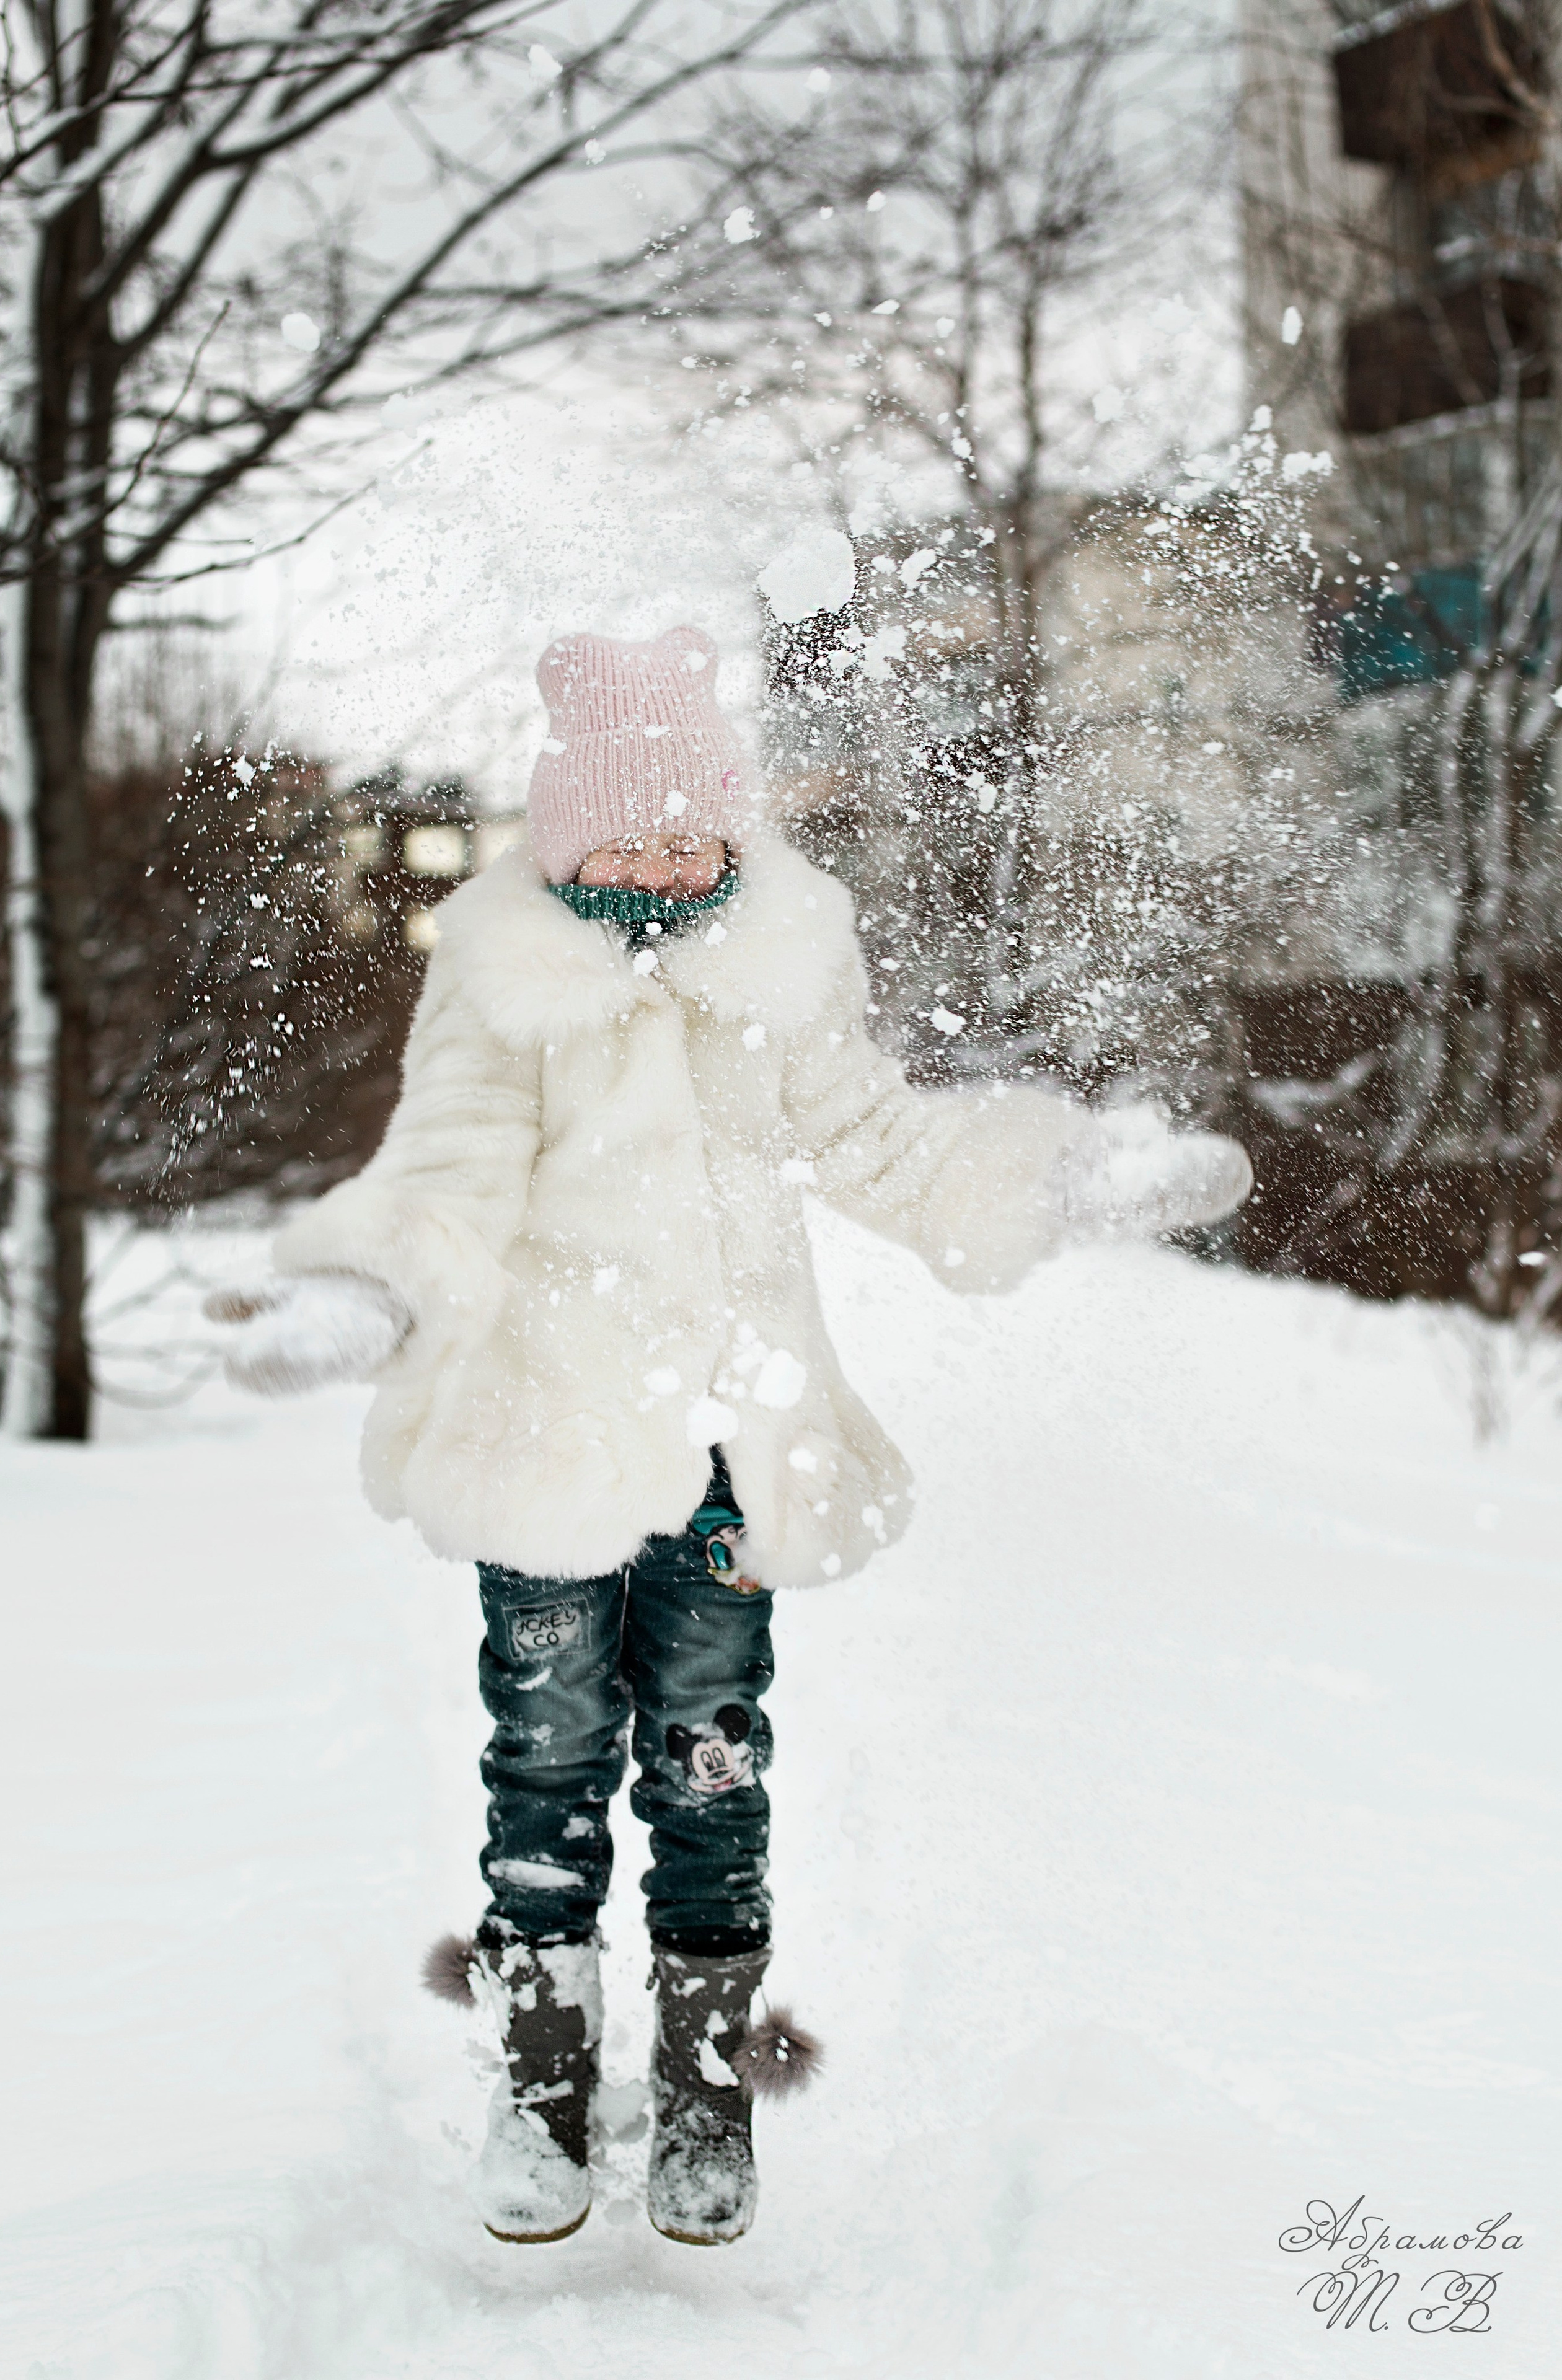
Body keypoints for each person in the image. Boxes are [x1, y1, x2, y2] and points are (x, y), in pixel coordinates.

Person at [207, 623, 1251, 2249]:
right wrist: (369, 1295)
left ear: (730, 821)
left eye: (688, 824)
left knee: (710, 1767)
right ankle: (544, 2095)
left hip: (725, 1451)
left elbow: (880, 1140)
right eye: (624, 828)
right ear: (562, 837)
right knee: (543, 1767)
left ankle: (703, 2099)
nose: (659, 855)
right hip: (545, 1443)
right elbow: (448, 1173)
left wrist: (1053, 1182)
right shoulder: (501, 987)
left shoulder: (786, 968)